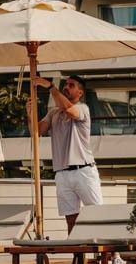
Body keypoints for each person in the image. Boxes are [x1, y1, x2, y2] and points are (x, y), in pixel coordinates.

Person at [34, 74, 102, 233]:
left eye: (71, 85)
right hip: (62, 173)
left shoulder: (83, 108)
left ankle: (113, 256)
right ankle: (78, 256)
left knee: (98, 215)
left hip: (83, 170)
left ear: (80, 93)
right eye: (65, 84)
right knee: (71, 221)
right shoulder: (53, 113)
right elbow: (36, 131)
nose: (66, 87)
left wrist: (51, 87)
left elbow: (70, 110)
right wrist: (30, 114)